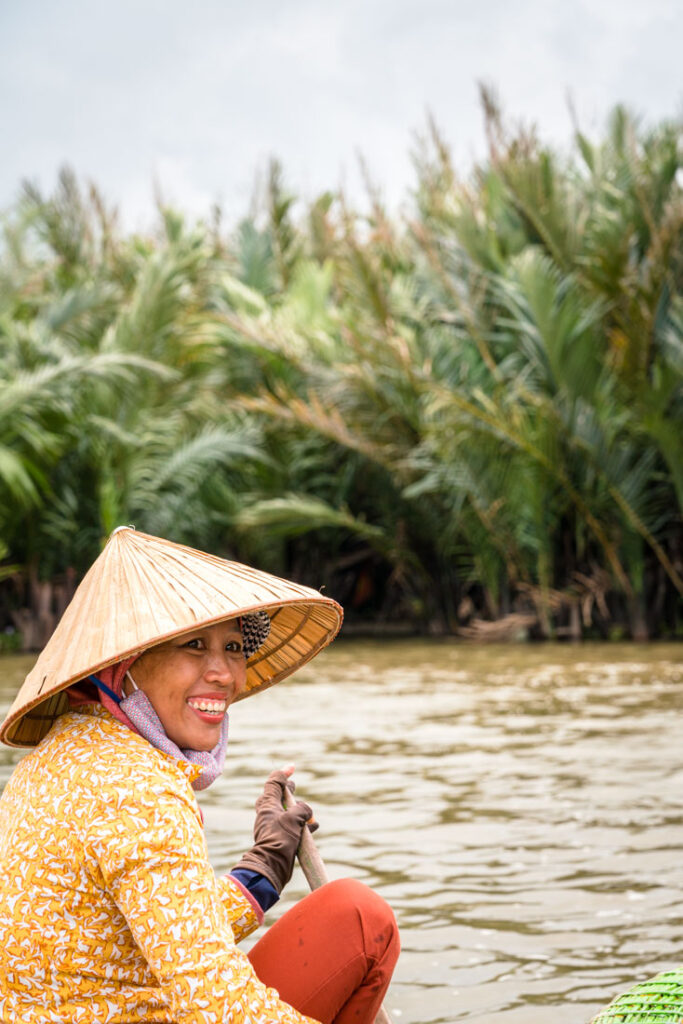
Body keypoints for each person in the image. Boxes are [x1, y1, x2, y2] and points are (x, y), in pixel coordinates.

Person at [0, 527, 399, 1024]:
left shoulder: (52, 757)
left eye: (233, 647)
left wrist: (263, 869)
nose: (226, 674)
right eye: (193, 644)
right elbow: (215, 1004)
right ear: (124, 666)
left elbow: (155, 929)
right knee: (366, 919)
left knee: (346, 916)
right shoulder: (139, 788)